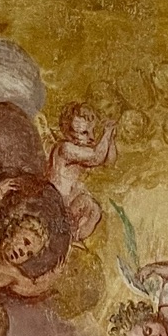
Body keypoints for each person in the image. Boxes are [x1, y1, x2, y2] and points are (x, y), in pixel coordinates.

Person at [48, 102, 116, 242]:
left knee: (94, 209)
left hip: (68, 207)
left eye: (93, 131)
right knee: (87, 204)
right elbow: (97, 157)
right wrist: (106, 133)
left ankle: (72, 239)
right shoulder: (66, 149)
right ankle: (67, 238)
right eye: (84, 133)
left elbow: (109, 162)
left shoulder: (81, 148)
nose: (91, 138)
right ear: (68, 132)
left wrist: (111, 138)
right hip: (55, 204)